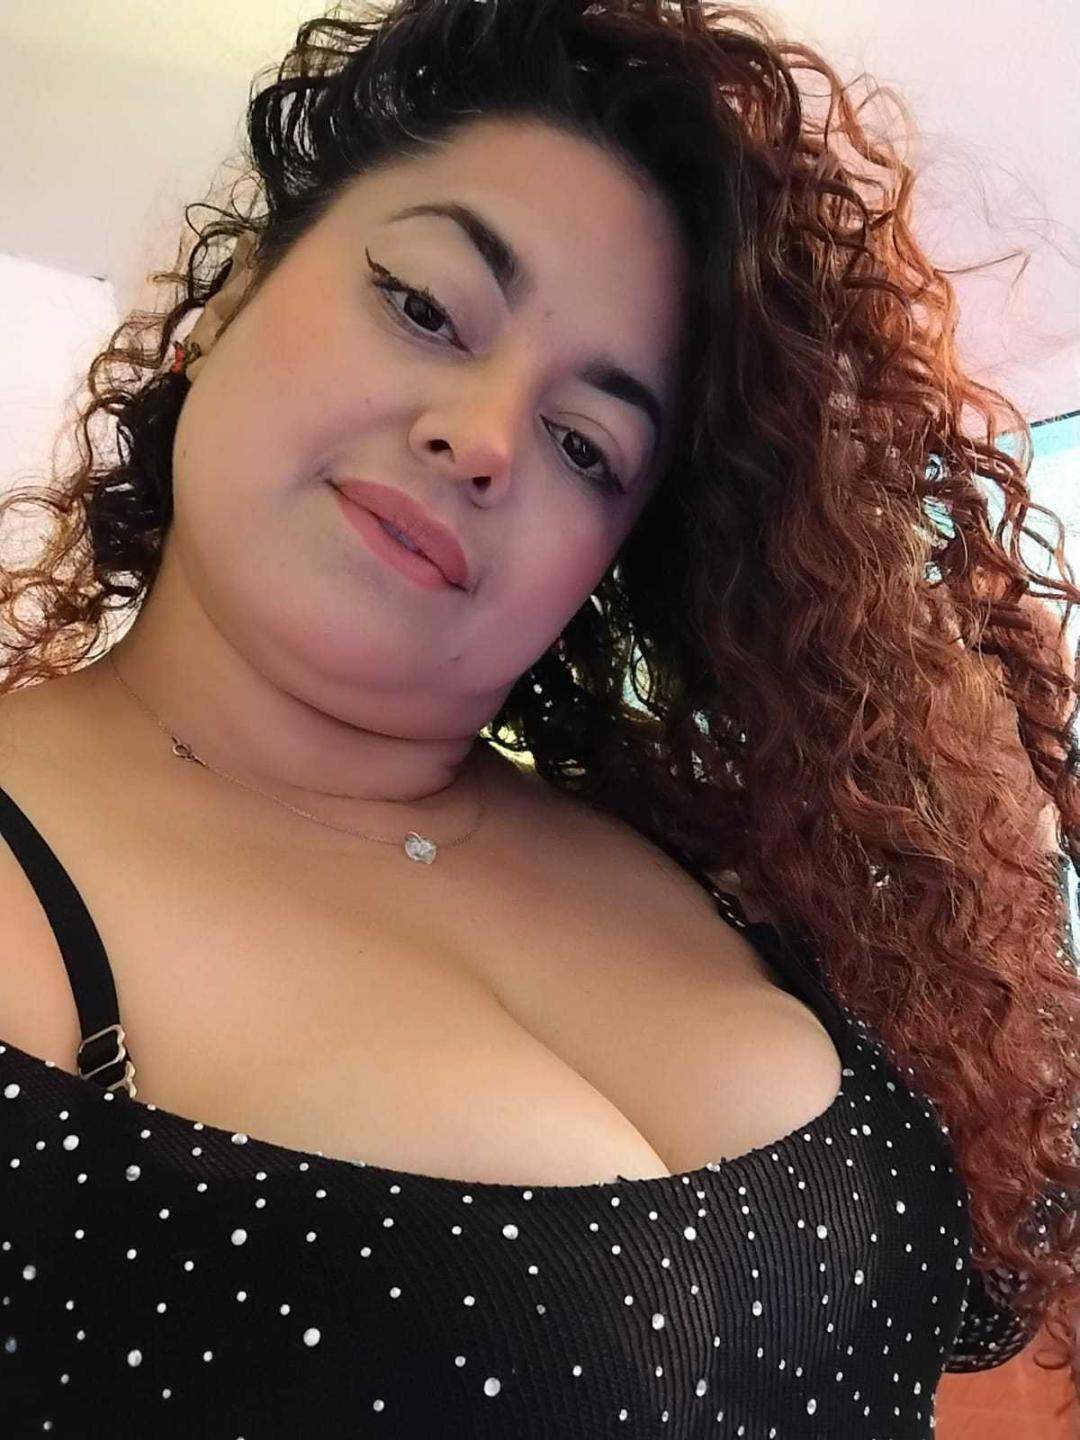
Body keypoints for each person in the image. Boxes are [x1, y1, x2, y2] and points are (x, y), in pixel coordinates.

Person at [1, 2, 1077, 1434]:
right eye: (424, 307)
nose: (486, 439)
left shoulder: (706, 859)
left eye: (587, 444)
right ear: (232, 301)